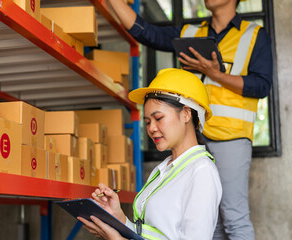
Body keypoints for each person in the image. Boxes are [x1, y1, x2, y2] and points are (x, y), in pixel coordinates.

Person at [104, 0, 273, 239]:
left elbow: (262, 85)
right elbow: (146, 32)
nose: (152, 127)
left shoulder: (255, 35)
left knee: (234, 218)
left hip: (230, 135)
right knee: (210, 224)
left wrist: (216, 74)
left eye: (157, 118)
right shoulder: (190, 34)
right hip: (194, 133)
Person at [78, 68, 222, 240]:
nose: (151, 128)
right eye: (147, 122)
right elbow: (156, 234)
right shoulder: (164, 169)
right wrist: (120, 219)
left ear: (186, 114)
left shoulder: (201, 171)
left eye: (158, 118)